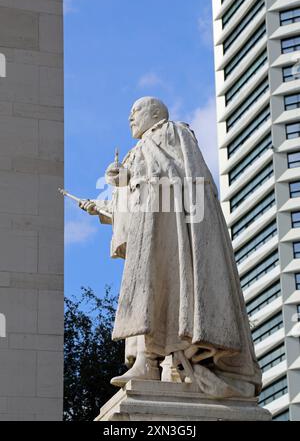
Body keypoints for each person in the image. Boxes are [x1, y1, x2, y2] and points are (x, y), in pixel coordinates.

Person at [80, 97, 262, 398]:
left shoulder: (173, 133)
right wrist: (103, 203)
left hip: (173, 231)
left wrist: (130, 178)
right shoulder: (138, 150)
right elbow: (132, 201)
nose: (130, 118)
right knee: (145, 289)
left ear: (154, 114)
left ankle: (154, 361)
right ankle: (145, 360)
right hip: (148, 232)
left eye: (135, 111)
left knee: (165, 289)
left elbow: (178, 176)